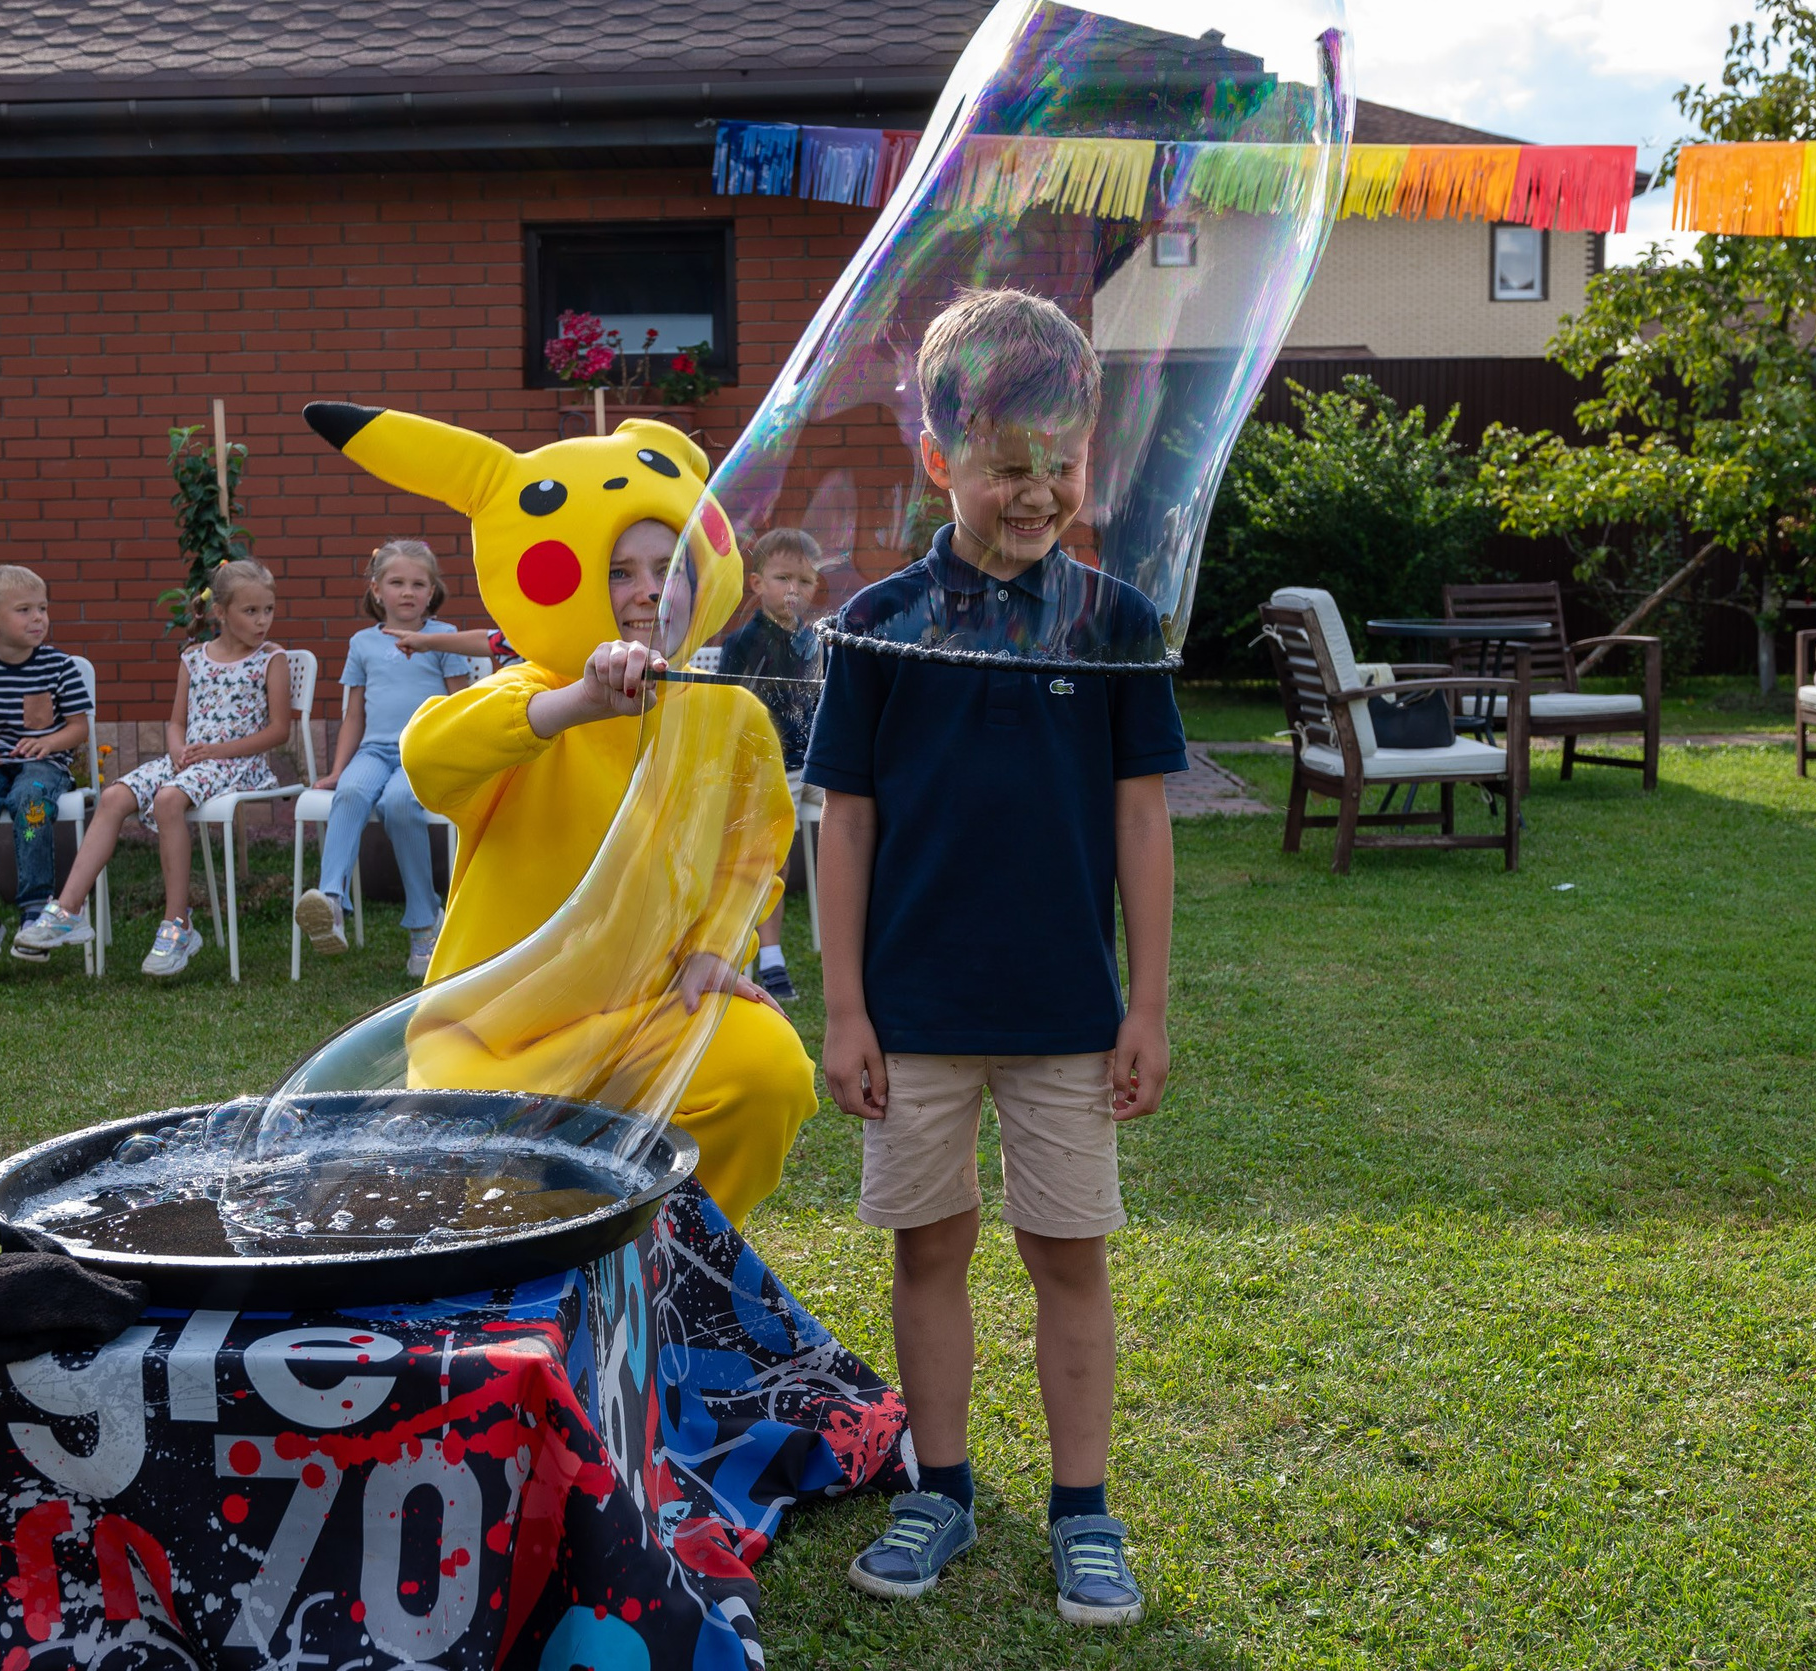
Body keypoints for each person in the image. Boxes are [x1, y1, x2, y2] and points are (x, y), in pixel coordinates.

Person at [804, 288, 1185, 1626]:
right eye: (1005, 466)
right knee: (929, 1251)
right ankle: (942, 1488)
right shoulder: (878, 622)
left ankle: (1085, 1510)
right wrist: (844, 1008)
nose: (1035, 493)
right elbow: (845, 822)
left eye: (1059, 466)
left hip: (1067, 1011)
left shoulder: (1117, 621)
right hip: (912, 1010)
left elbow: (1142, 820)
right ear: (938, 459)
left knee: (1068, 1254)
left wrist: (1146, 1003)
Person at [305, 401, 817, 1222]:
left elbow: (751, 856)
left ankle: (676, 1248)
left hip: (648, 1018)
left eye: (669, 565)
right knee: (482, 1196)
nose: (649, 590)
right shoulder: (532, 695)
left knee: (771, 1070)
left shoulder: (731, 717)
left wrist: (716, 946)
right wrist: (577, 703)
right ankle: (551, 1240)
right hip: (493, 1038)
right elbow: (430, 757)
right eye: (619, 570)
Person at [18, 559, 292, 978]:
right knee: (114, 796)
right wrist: (178, 749)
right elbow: (176, 722)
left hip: (238, 763)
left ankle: (177, 925)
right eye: (251, 611)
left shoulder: (271, 659)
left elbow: (278, 731)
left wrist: (216, 750)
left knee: (167, 800)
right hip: (190, 760)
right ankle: (69, 910)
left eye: (268, 610)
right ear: (220, 612)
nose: (262, 621)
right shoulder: (194, 658)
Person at [295, 540, 474, 975]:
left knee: (398, 802)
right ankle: (331, 902)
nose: (408, 592)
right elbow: (354, 714)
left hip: (423, 750)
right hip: (374, 750)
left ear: (432, 592)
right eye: (397, 583)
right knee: (351, 792)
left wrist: (459, 761)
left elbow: (462, 705)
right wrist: (338, 770)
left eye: (418, 584)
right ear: (376, 590)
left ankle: (424, 923)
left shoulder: (444, 638)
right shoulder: (362, 643)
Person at [0, 564, 95, 967]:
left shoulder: (59, 667)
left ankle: (36, 909)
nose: (38, 618)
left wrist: (49, 742)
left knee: (31, 801)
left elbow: (79, 728)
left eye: (42, 608)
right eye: (24, 610)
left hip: (44, 765)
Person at [718, 527, 824, 1000]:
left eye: (805, 581)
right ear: (758, 583)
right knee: (772, 862)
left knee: (858, 825)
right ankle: (772, 957)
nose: (794, 590)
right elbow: (731, 709)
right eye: (783, 579)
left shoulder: (815, 641)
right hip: (770, 769)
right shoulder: (743, 643)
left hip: (815, 764)